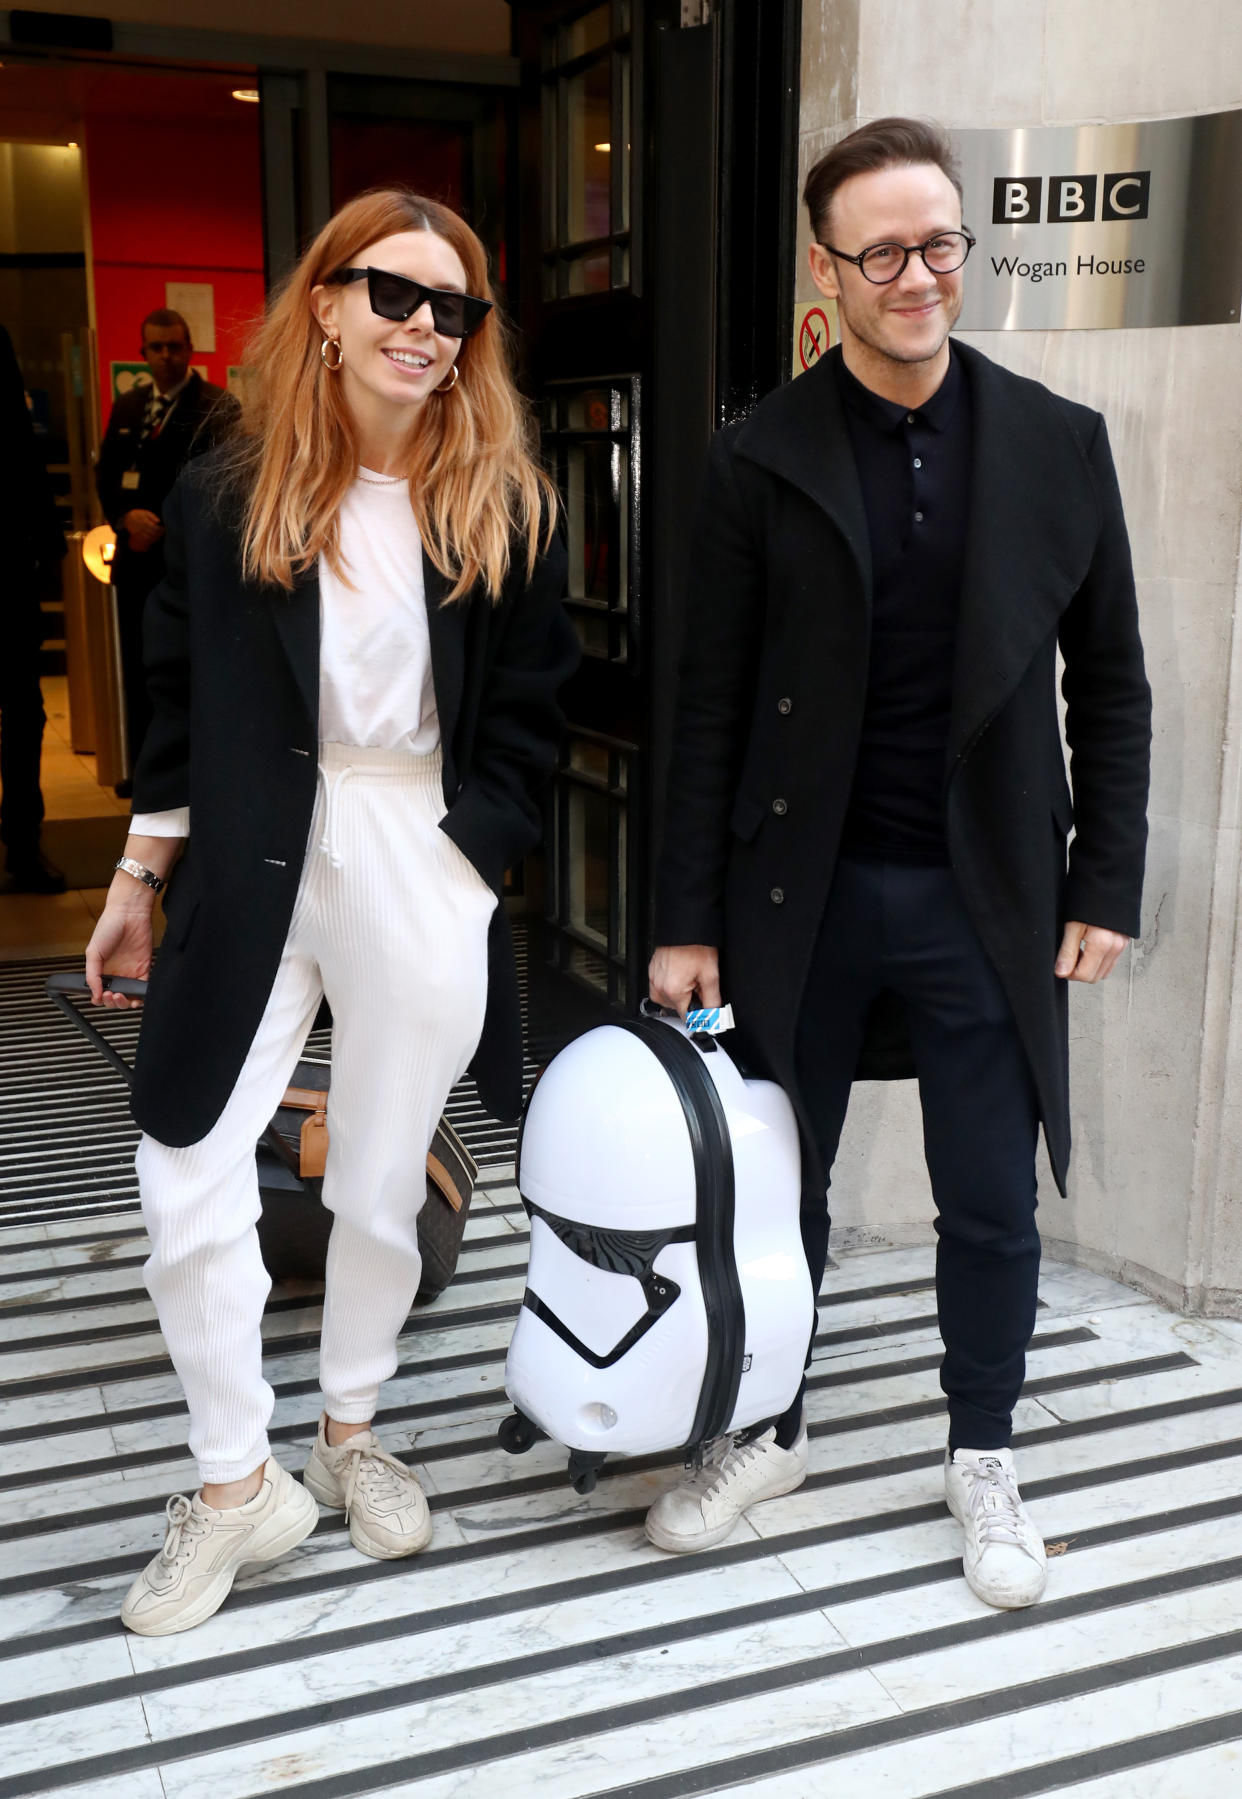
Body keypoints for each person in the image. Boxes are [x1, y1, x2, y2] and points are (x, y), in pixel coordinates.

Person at [645, 118, 1151, 1611]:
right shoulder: (759, 458)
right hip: (796, 891)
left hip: (984, 888)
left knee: (988, 1191)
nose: (920, 275)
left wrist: (1102, 880)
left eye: (940, 243)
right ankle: (770, 1422)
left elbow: (1108, 684)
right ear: (827, 269)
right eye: (884, 252)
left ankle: (982, 1447)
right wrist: (683, 913)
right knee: (773, 1191)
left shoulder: (1059, 443)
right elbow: (709, 704)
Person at [84, 190, 578, 1636]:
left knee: (375, 1176)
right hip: (249, 847)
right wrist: (137, 869)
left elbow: (537, 710)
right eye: (394, 294)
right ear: (324, 302)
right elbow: (178, 697)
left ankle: (348, 1432)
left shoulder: (504, 500)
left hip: (418, 838)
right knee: (184, 1165)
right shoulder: (231, 490)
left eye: (454, 308)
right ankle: (237, 1485)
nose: (424, 327)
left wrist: (469, 857)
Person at [95, 308, 235, 788]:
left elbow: (224, 492)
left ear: (190, 349)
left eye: (174, 347)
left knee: (186, 675)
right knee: (138, 670)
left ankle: (191, 771)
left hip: (189, 569)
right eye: (156, 348)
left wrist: (168, 528)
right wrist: (123, 516)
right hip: (134, 564)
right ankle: (141, 770)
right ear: (143, 353)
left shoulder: (217, 407)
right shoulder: (129, 405)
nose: (166, 356)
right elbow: (107, 475)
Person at [0, 323, 67, 893]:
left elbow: (21, 448)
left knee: (24, 715)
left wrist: (47, 552)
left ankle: (23, 843)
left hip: (8, 578)